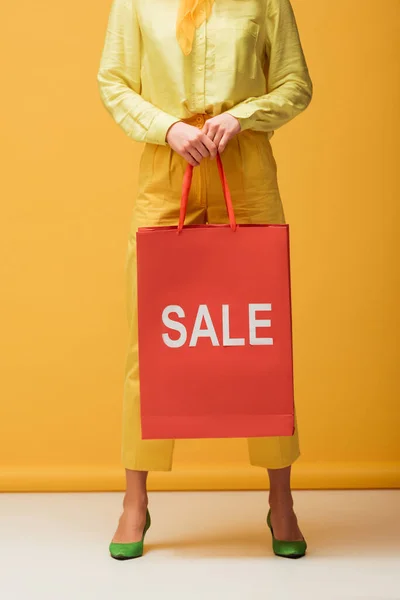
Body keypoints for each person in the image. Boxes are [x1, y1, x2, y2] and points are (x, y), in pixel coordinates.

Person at [97, 0, 313, 560]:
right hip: (166, 171)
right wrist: (166, 127)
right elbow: (114, 81)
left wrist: (242, 115)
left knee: (262, 335)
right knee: (152, 337)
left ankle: (282, 501)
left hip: (245, 166)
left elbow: (295, 82)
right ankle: (135, 501)